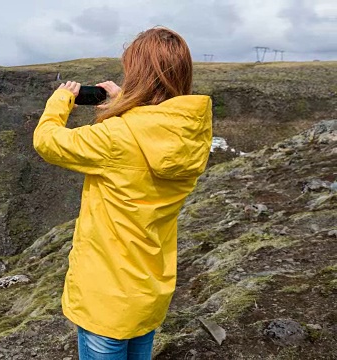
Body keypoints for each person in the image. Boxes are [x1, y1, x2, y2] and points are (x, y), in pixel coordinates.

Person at [33, 27, 212, 360]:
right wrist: (127, 102)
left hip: (107, 293)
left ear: (139, 75)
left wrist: (60, 101)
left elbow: (47, 141)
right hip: (150, 287)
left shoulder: (117, 137)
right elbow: (154, 129)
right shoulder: (192, 133)